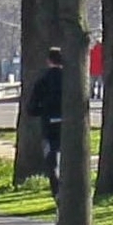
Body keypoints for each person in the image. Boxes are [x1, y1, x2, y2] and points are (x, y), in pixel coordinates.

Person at [25, 47, 66, 190]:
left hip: (49, 125)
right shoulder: (71, 81)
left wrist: (44, 110)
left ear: (48, 61)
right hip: (68, 124)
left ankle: (57, 191)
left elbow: (31, 109)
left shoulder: (43, 81)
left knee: (52, 159)